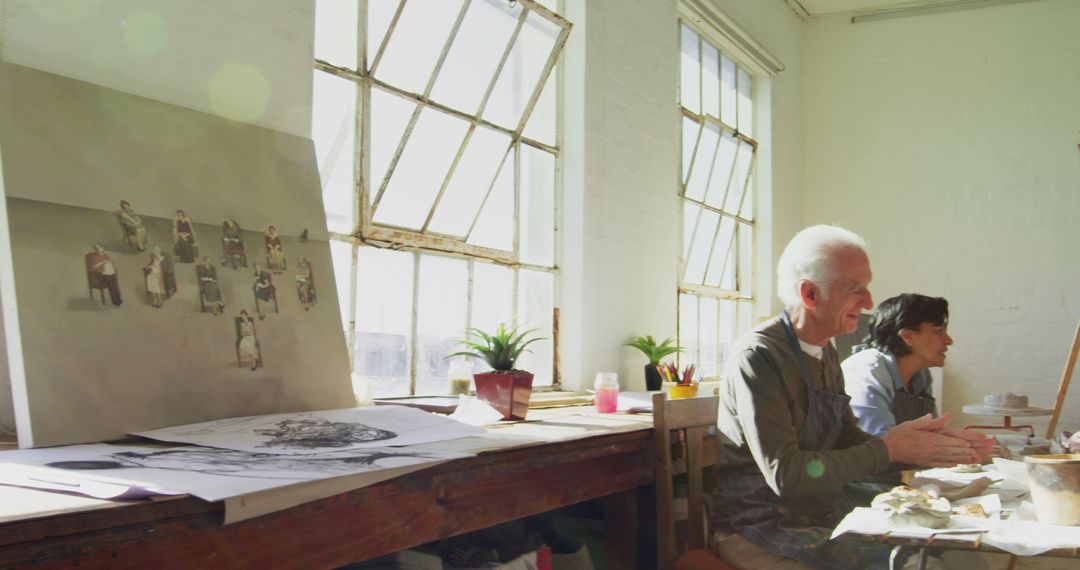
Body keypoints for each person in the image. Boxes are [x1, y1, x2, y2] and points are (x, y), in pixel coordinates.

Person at [711, 225, 992, 569]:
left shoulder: (825, 352)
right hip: (762, 526)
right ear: (810, 294)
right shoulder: (759, 356)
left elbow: (847, 439)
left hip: (821, 514)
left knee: (961, 556)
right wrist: (890, 447)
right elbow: (787, 474)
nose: (870, 302)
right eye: (854, 289)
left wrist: (920, 446)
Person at [842, 294, 951, 437]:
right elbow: (877, 444)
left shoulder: (920, 374)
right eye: (939, 331)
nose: (949, 340)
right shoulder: (867, 372)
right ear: (908, 336)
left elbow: (931, 434)